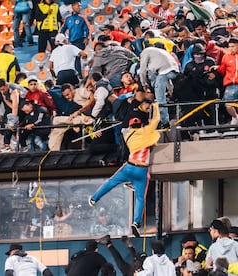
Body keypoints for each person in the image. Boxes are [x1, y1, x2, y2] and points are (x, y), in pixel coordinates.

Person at [88, 101, 160, 237]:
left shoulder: (128, 135)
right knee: (140, 198)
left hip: (130, 165)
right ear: (141, 124)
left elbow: (123, 128)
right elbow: (156, 120)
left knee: (111, 182)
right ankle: (136, 222)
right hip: (143, 170)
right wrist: (155, 107)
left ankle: (94, 199)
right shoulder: (147, 132)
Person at [213, 37, 238, 132]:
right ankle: (235, 117)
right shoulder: (226, 57)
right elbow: (223, 70)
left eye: (233, 46)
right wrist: (217, 68)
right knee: (227, 104)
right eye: (230, 46)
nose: (231, 48)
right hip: (230, 83)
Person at [139, 44, 179, 128]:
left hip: (164, 72)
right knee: (152, 73)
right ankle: (165, 92)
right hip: (174, 70)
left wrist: (144, 84)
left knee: (160, 100)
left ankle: (165, 122)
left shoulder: (145, 52)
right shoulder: (158, 51)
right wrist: (170, 90)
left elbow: (142, 71)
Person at [0, 44, 20, 128]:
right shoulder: (12, 58)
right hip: (7, 88)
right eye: (12, 49)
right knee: (9, 109)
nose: (13, 52)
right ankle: (4, 128)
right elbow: (17, 73)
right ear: (7, 49)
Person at [60, 0, 90, 78]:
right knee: (72, 59)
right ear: (72, 6)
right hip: (71, 42)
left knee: (77, 58)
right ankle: (75, 75)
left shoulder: (82, 17)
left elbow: (88, 29)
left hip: (80, 41)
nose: (79, 7)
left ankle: (80, 76)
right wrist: (61, 38)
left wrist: (87, 38)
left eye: (80, 6)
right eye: (78, 6)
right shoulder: (68, 18)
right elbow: (62, 29)